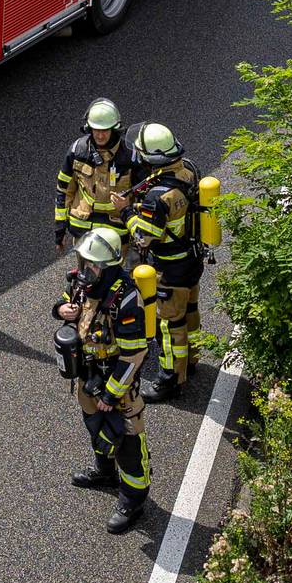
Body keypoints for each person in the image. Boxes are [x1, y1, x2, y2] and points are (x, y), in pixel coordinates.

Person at [56, 226, 153, 533]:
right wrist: (60, 310)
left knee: (126, 439)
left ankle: (133, 499)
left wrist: (111, 396)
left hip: (116, 387)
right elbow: (64, 302)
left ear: (106, 267)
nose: (84, 270)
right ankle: (104, 472)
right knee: (95, 427)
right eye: (83, 262)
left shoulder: (125, 297)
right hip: (88, 377)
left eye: (90, 264)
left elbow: (134, 355)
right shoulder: (83, 283)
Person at [122, 123, 207, 402]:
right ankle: (191, 361)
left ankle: (169, 380)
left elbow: (145, 237)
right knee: (191, 312)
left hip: (170, 268)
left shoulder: (157, 196)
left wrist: (126, 214)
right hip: (193, 259)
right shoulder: (189, 170)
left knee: (169, 327)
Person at [53, 98, 135, 251]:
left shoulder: (129, 156)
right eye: (96, 130)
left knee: (114, 275)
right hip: (83, 229)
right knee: (87, 273)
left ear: (114, 129)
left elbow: (141, 195)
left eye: (104, 130)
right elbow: (64, 190)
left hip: (116, 233)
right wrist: (60, 228)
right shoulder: (77, 151)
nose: (100, 135)